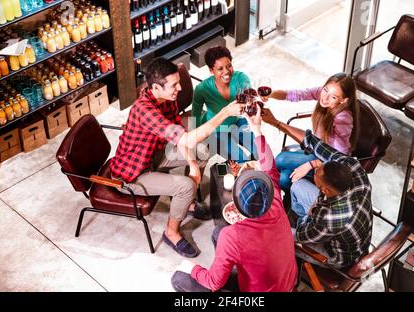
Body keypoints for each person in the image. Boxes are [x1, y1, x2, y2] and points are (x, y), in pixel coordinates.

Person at [110, 58, 244, 258]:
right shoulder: (144, 110)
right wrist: (225, 112)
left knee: (204, 151)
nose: (179, 88)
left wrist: (193, 165)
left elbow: (181, 137)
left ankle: (186, 202)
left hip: (153, 155)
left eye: (179, 82)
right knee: (186, 186)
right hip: (133, 174)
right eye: (174, 85)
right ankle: (171, 232)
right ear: (156, 87)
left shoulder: (166, 100)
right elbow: (188, 139)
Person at [170, 105, 298, 292]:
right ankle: (234, 264)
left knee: (180, 278)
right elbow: (269, 168)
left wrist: (192, 268)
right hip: (287, 283)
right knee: (217, 234)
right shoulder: (276, 202)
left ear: (236, 206)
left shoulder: (233, 237)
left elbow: (214, 283)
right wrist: (256, 129)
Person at [262, 109, 372, 268]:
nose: (317, 166)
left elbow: (301, 235)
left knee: (276, 236)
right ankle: (297, 217)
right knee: (297, 185)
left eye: (316, 174)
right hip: (341, 222)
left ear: (326, 191)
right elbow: (316, 144)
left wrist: (310, 214)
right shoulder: (353, 167)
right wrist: (275, 122)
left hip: (338, 255)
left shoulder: (329, 219)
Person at [266, 73, 359, 193]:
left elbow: (340, 157)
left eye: (333, 97)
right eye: (325, 90)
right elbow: (297, 94)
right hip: (315, 149)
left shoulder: (343, 118)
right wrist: (271, 94)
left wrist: (311, 164)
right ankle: (288, 196)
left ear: (343, 100)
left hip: (327, 162)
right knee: (284, 177)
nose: (325, 98)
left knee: (281, 160)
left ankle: (301, 194)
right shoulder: (323, 93)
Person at [192, 46, 257, 163]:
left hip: (236, 122)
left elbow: (248, 91)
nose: (226, 71)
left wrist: (251, 98)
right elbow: (195, 115)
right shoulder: (201, 89)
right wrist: (199, 138)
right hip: (216, 130)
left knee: (259, 151)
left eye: (229, 66)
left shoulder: (240, 77)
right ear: (211, 70)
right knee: (241, 159)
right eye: (220, 68)